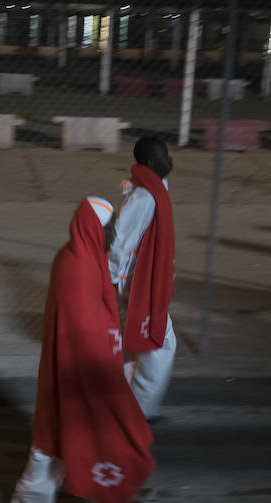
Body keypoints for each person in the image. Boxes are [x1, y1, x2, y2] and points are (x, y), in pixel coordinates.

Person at [10, 197, 155, 503]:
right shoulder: (76, 268)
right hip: (74, 368)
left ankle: (103, 481)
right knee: (55, 436)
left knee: (70, 433)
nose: (115, 234)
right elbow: (82, 328)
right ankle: (30, 502)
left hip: (81, 364)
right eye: (110, 228)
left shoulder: (84, 256)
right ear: (92, 229)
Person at [108, 135, 177, 423]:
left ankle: (126, 405)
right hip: (134, 284)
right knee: (161, 341)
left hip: (141, 281)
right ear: (150, 163)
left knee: (134, 344)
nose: (170, 160)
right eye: (164, 156)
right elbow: (118, 243)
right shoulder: (144, 196)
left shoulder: (154, 187)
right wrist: (111, 283)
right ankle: (140, 411)